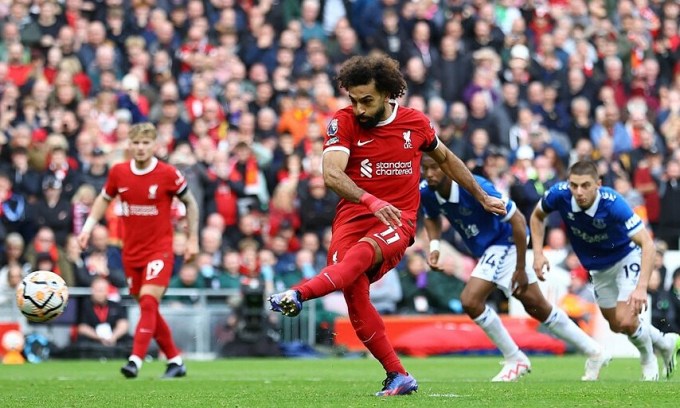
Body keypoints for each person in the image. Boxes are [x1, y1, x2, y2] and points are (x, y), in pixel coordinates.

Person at [267, 54, 506, 396]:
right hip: (353, 218)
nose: (360, 109)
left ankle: (298, 293)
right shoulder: (343, 122)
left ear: (388, 93)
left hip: (398, 219)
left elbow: (447, 159)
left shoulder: (416, 124)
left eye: (367, 100)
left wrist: (481, 195)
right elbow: (331, 173)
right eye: (354, 100)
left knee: (362, 256)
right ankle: (398, 375)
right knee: (354, 291)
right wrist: (369, 201)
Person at [420, 155, 608, 382]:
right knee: (536, 306)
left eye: (434, 168)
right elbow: (431, 218)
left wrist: (520, 265)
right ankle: (594, 351)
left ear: (447, 167)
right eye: (425, 169)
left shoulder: (477, 187)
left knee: (470, 300)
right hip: (487, 249)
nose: (429, 174)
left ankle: (514, 357)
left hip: (506, 241)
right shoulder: (427, 191)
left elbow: (518, 219)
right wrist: (434, 246)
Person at [530, 161, 680, 381]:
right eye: (574, 185)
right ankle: (666, 342)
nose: (578, 192)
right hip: (598, 269)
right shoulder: (559, 195)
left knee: (627, 320)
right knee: (618, 325)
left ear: (598, 184)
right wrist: (537, 253)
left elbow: (647, 243)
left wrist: (641, 288)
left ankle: (648, 360)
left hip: (625, 259)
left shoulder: (613, 203)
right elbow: (536, 216)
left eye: (585, 185)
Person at [77, 122, 199, 379]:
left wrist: (192, 239)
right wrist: (88, 227)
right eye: (136, 143)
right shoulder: (119, 173)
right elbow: (103, 199)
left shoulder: (168, 174)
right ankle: (175, 361)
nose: (141, 148)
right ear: (129, 145)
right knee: (149, 308)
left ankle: (135, 360)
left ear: (155, 146)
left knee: (147, 301)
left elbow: (190, 202)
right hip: (130, 252)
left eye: (146, 143)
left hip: (160, 250)